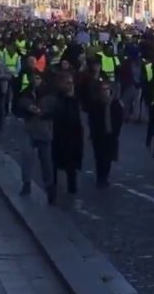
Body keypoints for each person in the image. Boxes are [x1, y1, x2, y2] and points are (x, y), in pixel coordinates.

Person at [16, 72, 56, 202]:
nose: (35, 81)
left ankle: (49, 188)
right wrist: (28, 107)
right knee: (27, 156)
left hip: (44, 131)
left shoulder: (48, 93)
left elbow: (54, 110)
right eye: (33, 78)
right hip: (29, 130)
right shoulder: (27, 92)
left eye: (38, 78)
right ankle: (26, 183)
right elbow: (18, 105)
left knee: (46, 162)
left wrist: (42, 112)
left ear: (42, 80)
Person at [50, 72, 84, 201]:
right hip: (57, 139)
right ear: (60, 84)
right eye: (68, 83)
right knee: (53, 168)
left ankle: (71, 193)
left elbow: (77, 122)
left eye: (71, 83)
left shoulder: (74, 100)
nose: (71, 86)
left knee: (71, 170)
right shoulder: (56, 99)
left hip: (71, 141)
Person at [86, 82, 124, 188]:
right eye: (103, 89)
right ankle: (100, 177)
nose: (105, 91)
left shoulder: (115, 104)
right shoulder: (95, 104)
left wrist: (116, 132)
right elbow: (91, 119)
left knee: (108, 158)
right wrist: (93, 132)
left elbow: (119, 119)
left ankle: (104, 177)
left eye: (107, 89)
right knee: (99, 158)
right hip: (98, 135)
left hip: (110, 135)